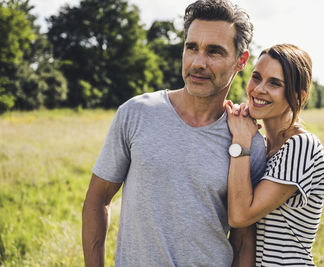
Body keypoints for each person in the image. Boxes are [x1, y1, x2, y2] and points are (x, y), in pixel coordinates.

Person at [82, 0, 267, 266]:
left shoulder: (249, 143)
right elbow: (97, 199)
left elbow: (243, 241)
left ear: (241, 60)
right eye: (192, 48)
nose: (198, 63)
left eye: (214, 52)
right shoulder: (136, 113)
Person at [225, 44, 324, 266]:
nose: (259, 89)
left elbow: (240, 215)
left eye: (275, 83)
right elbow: (242, 233)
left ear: (298, 96)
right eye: (256, 77)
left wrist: (241, 140)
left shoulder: (302, 146)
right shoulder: (263, 147)